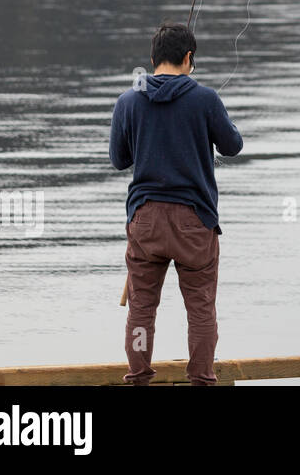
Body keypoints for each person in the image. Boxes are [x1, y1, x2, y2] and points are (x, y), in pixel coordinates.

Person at [109, 22, 243, 385]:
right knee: (200, 309)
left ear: (153, 59)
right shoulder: (205, 99)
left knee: (141, 308)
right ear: (189, 58)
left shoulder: (128, 100)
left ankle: (138, 377)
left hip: (146, 219)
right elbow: (233, 146)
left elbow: (119, 160)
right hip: (194, 222)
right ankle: (201, 379)